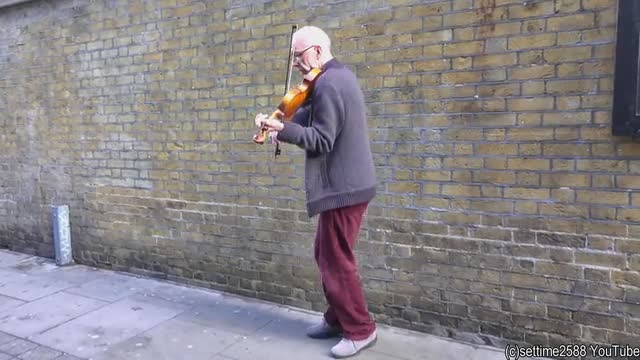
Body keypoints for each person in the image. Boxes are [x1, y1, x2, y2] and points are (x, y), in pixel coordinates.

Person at [254, 25, 378, 358]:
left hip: (345, 188)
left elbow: (322, 139)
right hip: (344, 185)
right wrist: (276, 124)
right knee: (326, 255)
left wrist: (285, 128)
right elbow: (307, 117)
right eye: (294, 56)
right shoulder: (327, 79)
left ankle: (360, 329)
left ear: (318, 51)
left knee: (337, 261)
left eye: (298, 54)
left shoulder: (331, 83)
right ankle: (338, 319)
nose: (295, 62)